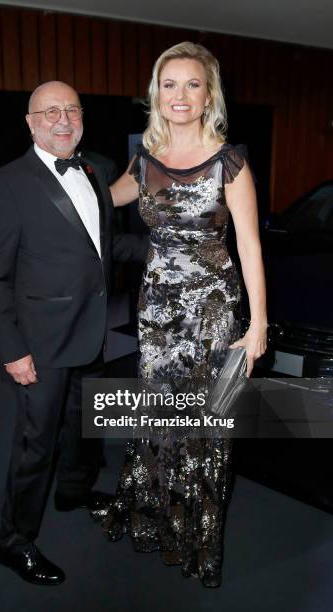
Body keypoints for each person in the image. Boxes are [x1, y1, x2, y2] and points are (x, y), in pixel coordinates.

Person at [92, 42, 267, 588]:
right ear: (156, 94)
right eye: (170, 84)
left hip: (212, 311)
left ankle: (198, 538)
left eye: (192, 84)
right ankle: (155, 518)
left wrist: (258, 326)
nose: (180, 95)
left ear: (209, 93)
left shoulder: (229, 160)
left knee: (206, 427)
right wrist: (63, 175)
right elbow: (110, 196)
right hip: (157, 312)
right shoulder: (144, 159)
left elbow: (250, 245)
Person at [0, 81, 147, 586]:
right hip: (40, 343)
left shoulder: (97, 168)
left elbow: (106, 246)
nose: (63, 118)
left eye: (71, 109)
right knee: (37, 443)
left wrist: (166, 254)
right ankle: (15, 541)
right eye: (50, 111)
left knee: (82, 424)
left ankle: (74, 490)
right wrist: (13, 350)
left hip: (91, 331)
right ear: (30, 122)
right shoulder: (7, 182)